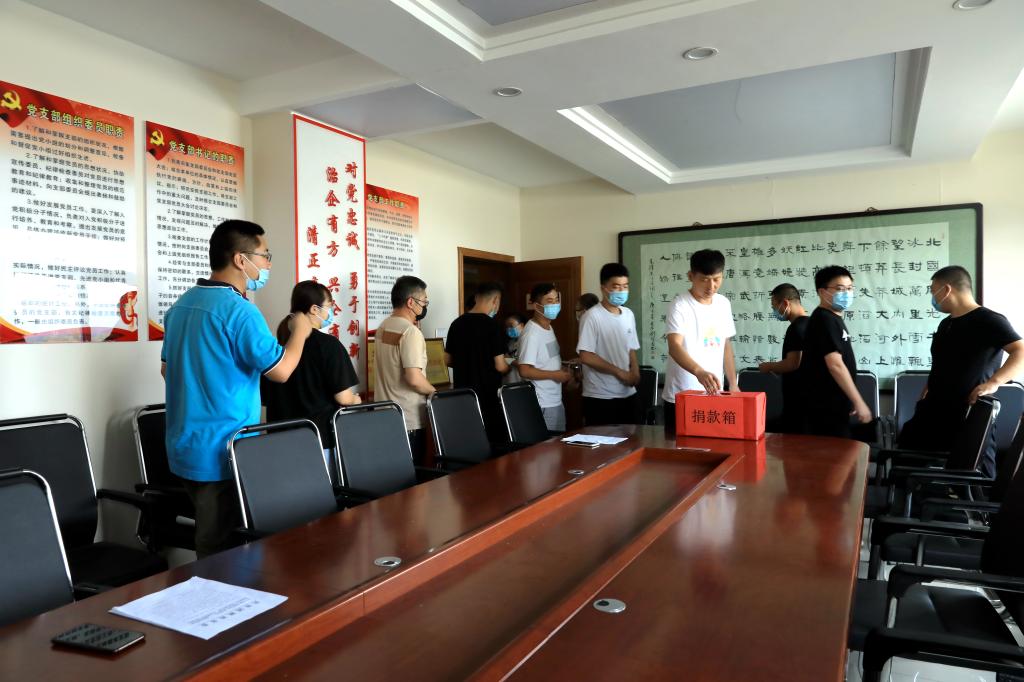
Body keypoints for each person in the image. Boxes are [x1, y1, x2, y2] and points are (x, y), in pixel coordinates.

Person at [161, 219, 313, 558]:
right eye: (265, 255)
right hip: (223, 449)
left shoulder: (181, 306)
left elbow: (166, 370)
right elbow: (281, 370)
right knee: (220, 548)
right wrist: (300, 333)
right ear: (240, 259)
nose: (268, 264)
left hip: (185, 444)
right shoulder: (240, 312)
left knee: (213, 536)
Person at [898, 266, 1023, 477]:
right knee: (905, 461)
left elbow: (1020, 351)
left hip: (967, 413)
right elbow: (942, 364)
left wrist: (993, 383)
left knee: (975, 475)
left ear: (946, 289)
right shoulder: (946, 324)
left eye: (933, 291)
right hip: (934, 409)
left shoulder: (989, 320)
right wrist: (926, 390)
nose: (932, 297)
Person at [262, 281, 361, 458]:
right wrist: (356, 400)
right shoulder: (328, 346)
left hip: (279, 439)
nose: (331, 311)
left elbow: (266, 398)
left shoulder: (277, 345)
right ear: (315, 309)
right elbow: (343, 398)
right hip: (317, 440)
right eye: (329, 306)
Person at [661, 249, 738, 434]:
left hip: (713, 393)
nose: (711, 286)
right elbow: (674, 346)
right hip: (682, 393)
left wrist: (733, 383)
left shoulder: (723, 304)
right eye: (704, 279)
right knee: (680, 448)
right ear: (691, 276)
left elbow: (725, 345)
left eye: (717, 279)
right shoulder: (680, 305)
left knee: (713, 445)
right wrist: (699, 371)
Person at [799, 265, 872, 438]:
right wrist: (858, 401)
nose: (846, 293)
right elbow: (835, 365)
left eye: (850, 288)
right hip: (825, 408)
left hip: (834, 406)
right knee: (835, 453)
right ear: (822, 292)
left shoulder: (833, 317)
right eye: (840, 289)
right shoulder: (824, 319)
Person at [375, 276, 436, 462]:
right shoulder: (410, 332)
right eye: (424, 301)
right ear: (411, 302)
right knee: (412, 472)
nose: (424, 306)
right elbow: (414, 379)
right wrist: (434, 392)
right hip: (408, 419)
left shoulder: (383, 326)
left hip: (384, 414)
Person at [444, 282, 511, 441]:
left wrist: (466, 364)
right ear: (496, 300)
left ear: (476, 297)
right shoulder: (492, 326)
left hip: (463, 395)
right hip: (488, 397)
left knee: (469, 439)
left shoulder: (457, 323)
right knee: (492, 441)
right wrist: (509, 367)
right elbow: (500, 365)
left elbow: (447, 360)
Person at [577, 263, 641, 426]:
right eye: (616, 287)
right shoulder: (591, 317)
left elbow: (631, 347)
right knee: (604, 442)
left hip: (628, 393)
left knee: (633, 439)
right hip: (600, 397)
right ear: (603, 288)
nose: (622, 291)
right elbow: (586, 356)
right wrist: (619, 372)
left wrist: (635, 371)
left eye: (625, 286)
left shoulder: (628, 314)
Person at [517, 283, 574, 432]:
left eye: (556, 300)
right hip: (542, 403)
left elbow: (547, 361)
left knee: (557, 444)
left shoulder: (549, 327)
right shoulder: (531, 333)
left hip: (555, 400)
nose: (555, 305)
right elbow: (524, 370)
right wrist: (555, 375)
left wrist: (564, 369)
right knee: (546, 446)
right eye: (549, 301)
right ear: (537, 306)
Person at [759, 283, 810, 433]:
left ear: (785, 303)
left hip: (798, 401)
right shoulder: (812, 324)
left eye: (774, 306)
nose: (774, 311)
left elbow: (793, 363)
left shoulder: (795, 328)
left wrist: (769, 366)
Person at [503, 312, 527, 384]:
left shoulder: (527, 341)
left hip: (523, 382)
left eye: (511, 325)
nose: (508, 329)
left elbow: (526, 366)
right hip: (510, 381)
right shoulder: (510, 343)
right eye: (507, 327)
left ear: (522, 325)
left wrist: (508, 359)